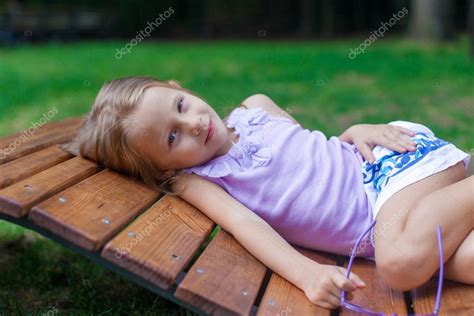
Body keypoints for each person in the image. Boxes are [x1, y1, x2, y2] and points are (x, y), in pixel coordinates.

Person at [63, 76, 473, 310]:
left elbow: (319, 149)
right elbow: (245, 224)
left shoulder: (256, 107)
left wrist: (354, 132)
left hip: (391, 172)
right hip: (401, 212)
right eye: (172, 137)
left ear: (179, 86)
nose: (192, 124)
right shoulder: (199, 181)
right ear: (161, 168)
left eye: (181, 105)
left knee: (400, 264)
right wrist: (306, 273)